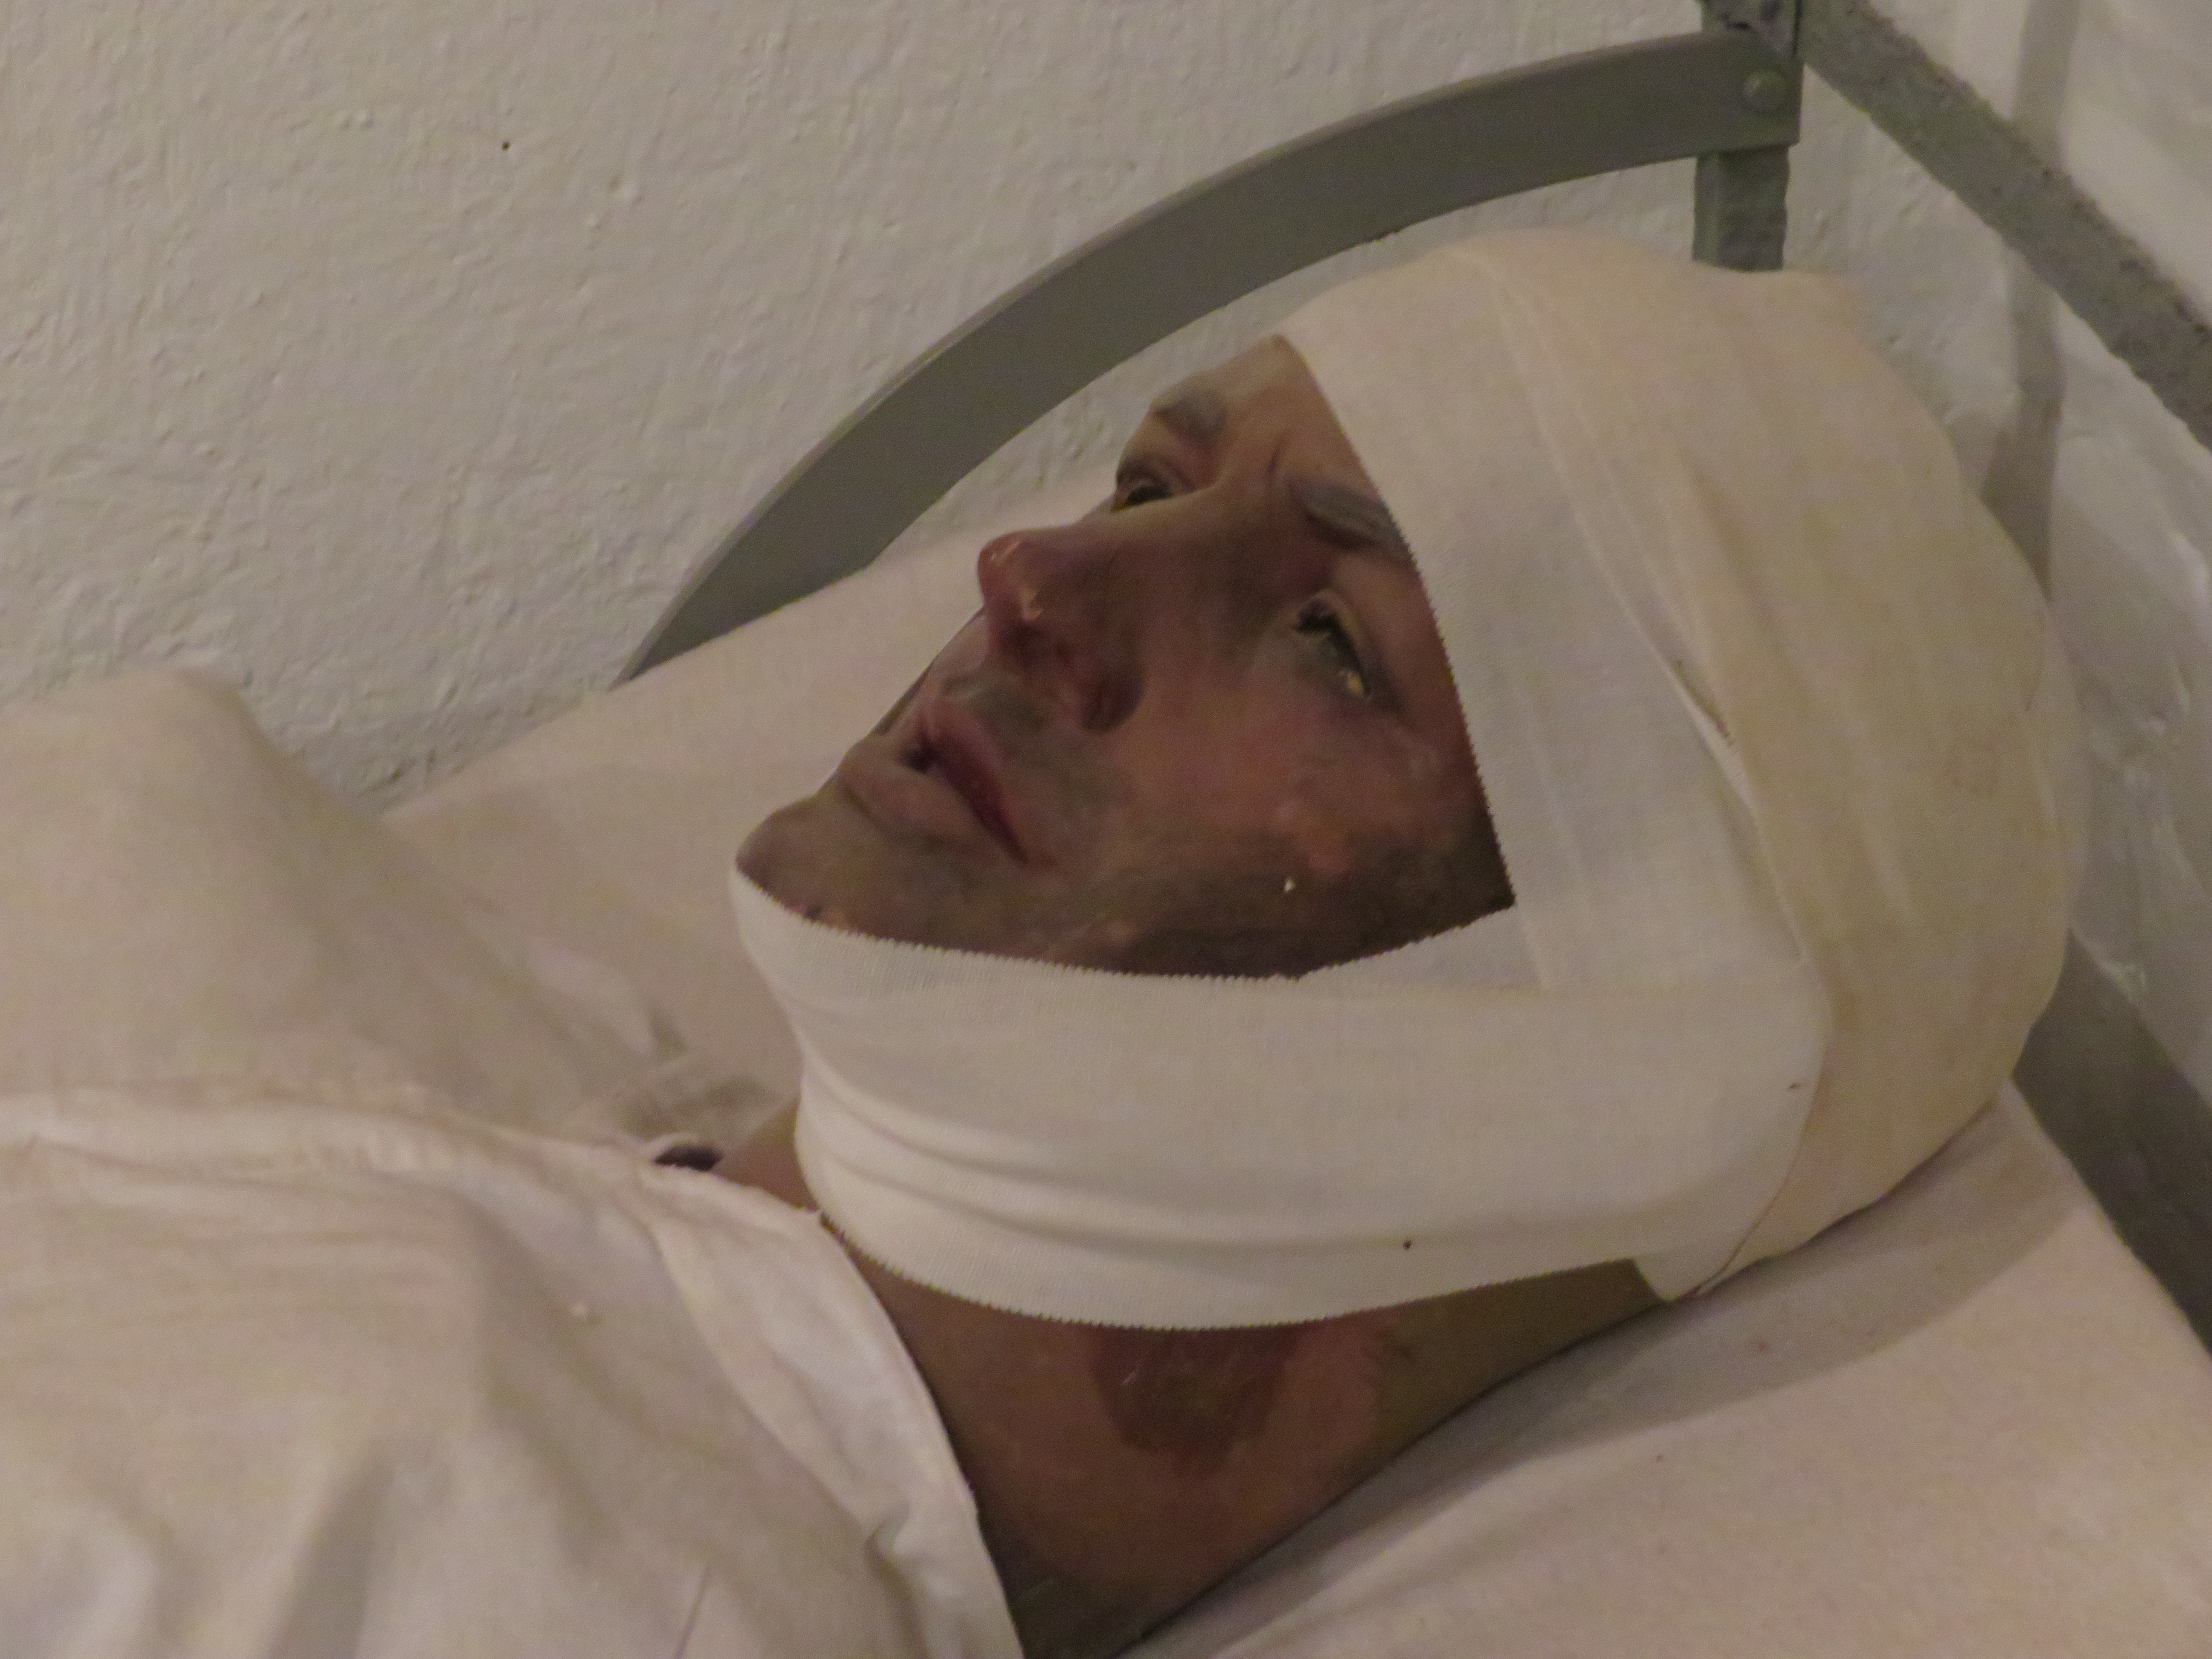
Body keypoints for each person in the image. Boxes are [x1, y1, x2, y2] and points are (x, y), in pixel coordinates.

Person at [0, 230, 2080, 1659]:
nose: (1036, 575)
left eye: (1335, 636)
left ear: (1627, 1064)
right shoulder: (462, 1025)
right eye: (1152, 481)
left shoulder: (558, 1584)